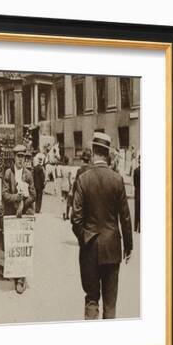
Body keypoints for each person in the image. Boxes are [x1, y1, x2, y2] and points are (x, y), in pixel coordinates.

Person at [71, 133, 133, 320]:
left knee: (91, 299)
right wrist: (128, 246)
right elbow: (126, 218)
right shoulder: (117, 180)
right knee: (110, 304)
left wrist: (85, 238)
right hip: (113, 249)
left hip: (90, 249)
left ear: (93, 152)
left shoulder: (83, 179)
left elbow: (75, 219)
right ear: (107, 154)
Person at [2, 144, 36, 294]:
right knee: (13, 246)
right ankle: (15, 275)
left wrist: (24, 203)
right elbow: (4, 194)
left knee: (23, 246)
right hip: (11, 213)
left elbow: (34, 194)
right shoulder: (8, 174)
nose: (20, 159)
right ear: (14, 157)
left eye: (23, 156)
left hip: (25, 213)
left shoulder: (28, 174)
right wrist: (17, 198)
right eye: (18, 156)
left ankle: (21, 278)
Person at [133, 155, 141, 232]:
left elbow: (134, 183)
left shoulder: (135, 171)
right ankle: (140, 228)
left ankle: (135, 227)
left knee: (136, 209)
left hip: (137, 192)